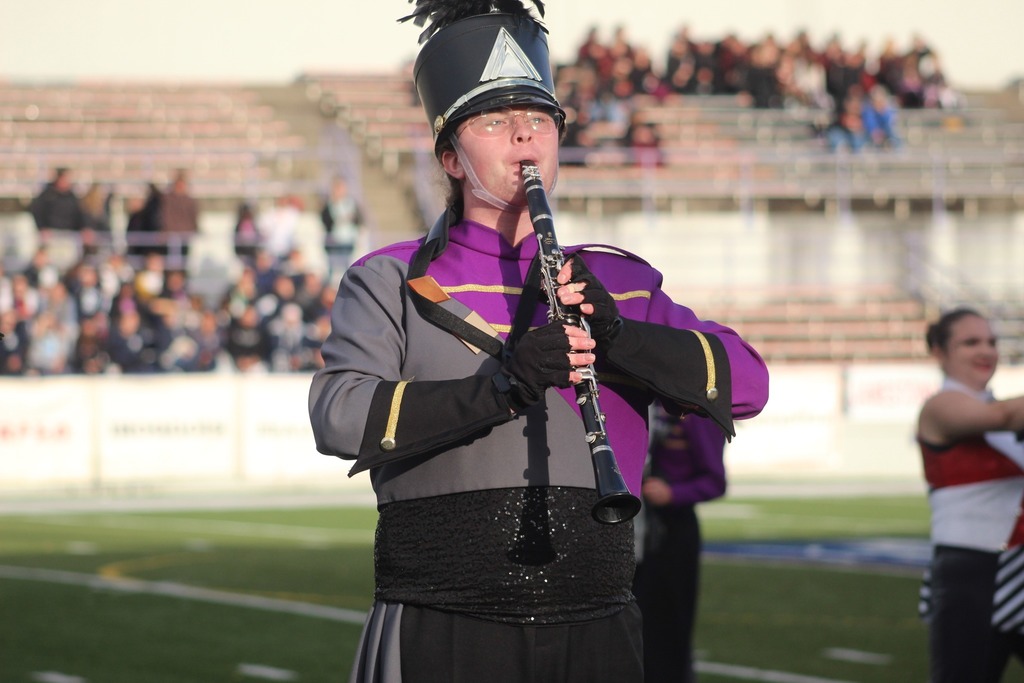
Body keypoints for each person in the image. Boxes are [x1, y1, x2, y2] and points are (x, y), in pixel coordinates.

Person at [308, 3, 769, 682]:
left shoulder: (619, 280)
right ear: (450, 156)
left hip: (600, 626)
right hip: (440, 623)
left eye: (541, 119)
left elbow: (751, 383)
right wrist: (501, 385)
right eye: (495, 120)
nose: (525, 134)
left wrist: (620, 337)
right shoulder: (393, 279)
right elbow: (339, 415)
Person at [917, 307, 1024, 682]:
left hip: (1016, 570)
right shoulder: (941, 407)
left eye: (992, 342)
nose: (986, 351)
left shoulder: (1004, 408)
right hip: (970, 573)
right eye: (971, 342)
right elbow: (1000, 419)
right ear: (940, 353)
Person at [633, 410, 727, 683]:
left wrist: (673, 493)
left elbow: (715, 481)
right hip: (637, 523)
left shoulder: (696, 414)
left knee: (670, 625)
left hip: (673, 528)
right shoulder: (647, 403)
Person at [320, 177, 364, 282]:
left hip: (347, 240)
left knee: (346, 267)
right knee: (332, 268)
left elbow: (358, 219)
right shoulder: (329, 205)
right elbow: (326, 221)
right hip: (333, 241)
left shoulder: (351, 204)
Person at [28, 167, 85, 234]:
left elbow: (79, 215)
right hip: (50, 234)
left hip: (69, 234)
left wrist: (83, 228)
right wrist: (42, 228)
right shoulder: (47, 195)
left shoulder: (73, 197)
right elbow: (37, 212)